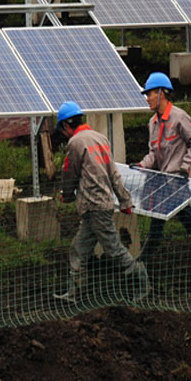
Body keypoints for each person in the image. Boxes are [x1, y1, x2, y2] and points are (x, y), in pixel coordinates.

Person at [53, 101, 149, 303]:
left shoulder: (76, 142)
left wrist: (67, 194)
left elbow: (69, 173)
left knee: (114, 250)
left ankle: (142, 281)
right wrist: (124, 200)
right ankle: (75, 292)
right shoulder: (101, 138)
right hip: (99, 205)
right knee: (79, 249)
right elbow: (113, 172)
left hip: (93, 205)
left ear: (65, 126)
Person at [136, 72, 191, 267]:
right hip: (161, 180)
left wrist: (185, 166)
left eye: (150, 94)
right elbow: (153, 154)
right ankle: (142, 262)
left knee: (181, 218)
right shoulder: (152, 123)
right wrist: (142, 165)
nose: (147, 98)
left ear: (162, 93)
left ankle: (141, 262)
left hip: (177, 180)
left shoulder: (179, 117)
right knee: (165, 219)